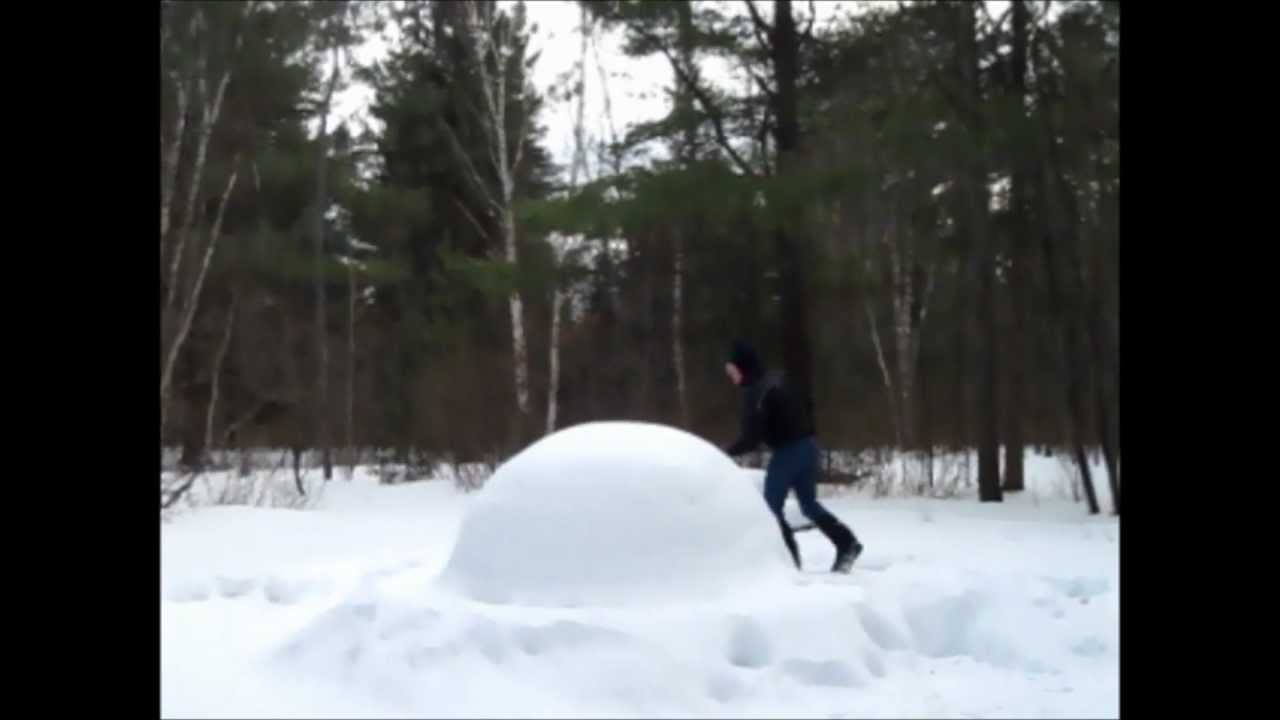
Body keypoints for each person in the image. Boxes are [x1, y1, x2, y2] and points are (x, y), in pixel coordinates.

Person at [723, 339, 862, 573]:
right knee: (808, 505)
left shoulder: (755, 392)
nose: (731, 377)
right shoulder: (780, 379)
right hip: (809, 446)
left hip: (788, 453)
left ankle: (790, 562)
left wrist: (723, 453)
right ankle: (847, 543)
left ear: (742, 367)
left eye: (732, 371)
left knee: (770, 509)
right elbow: (808, 404)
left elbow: (751, 438)